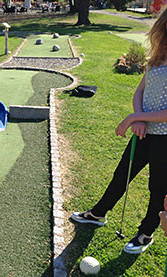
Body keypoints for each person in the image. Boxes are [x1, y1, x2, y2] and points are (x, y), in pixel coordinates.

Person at [71, 7, 167, 255]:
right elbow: (140, 91)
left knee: (158, 189)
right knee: (122, 174)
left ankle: (146, 234)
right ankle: (98, 213)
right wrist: (140, 120)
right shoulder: (156, 58)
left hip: (165, 139)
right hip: (144, 132)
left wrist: (136, 116)